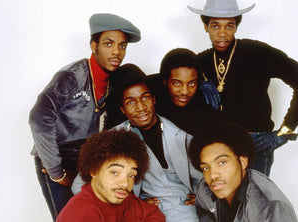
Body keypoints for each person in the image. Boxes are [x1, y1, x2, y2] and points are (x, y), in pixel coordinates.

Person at [28, 13, 141, 220]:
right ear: (93, 45)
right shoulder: (71, 77)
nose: (116, 52)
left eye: (122, 46)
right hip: (55, 158)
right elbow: (38, 118)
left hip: (84, 159)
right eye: (108, 44)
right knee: (68, 217)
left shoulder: (112, 81)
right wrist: (56, 171)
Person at [187, 0, 298, 176]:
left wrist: (286, 129)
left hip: (254, 143)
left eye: (229, 26)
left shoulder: (257, 52)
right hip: (216, 144)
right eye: (215, 26)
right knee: (222, 203)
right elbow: (170, 87)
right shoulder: (200, 61)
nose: (222, 34)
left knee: (253, 201)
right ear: (205, 26)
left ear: (236, 26)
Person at [72, 64, 203, 222]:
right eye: (131, 102)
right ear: (122, 109)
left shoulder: (181, 132)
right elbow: (79, 185)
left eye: (145, 97)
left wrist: (203, 197)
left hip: (189, 213)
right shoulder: (113, 139)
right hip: (147, 216)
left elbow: (206, 173)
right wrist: (130, 204)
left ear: (153, 99)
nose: (140, 107)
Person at [188, 121, 298, 222]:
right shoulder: (204, 189)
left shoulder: (270, 208)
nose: (212, 175)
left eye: (222, 163)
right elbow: (202, 208)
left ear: (242, 162)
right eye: (206, 168)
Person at [56, 130, 165, 222]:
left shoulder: (118, 197)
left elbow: (154, 214)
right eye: (114, 172)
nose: (125, 183)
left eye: (131, 175)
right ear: (94, 171)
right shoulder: (80, 215)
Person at [147, 48, 219, 135]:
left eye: (192, 84)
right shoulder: (148, 95)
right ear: (164, 81)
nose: (185, 92)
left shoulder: (204, 109)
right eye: (177, 83)